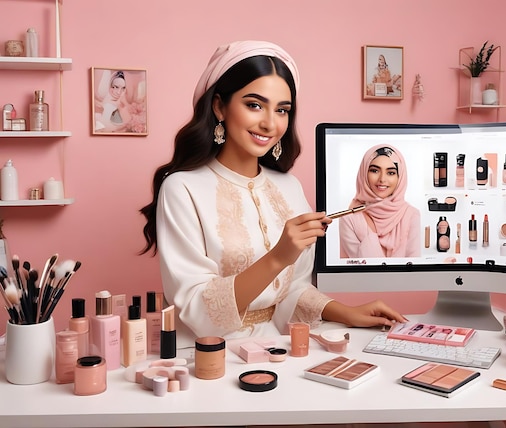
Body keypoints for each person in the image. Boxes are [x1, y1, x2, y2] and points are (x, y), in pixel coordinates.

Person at [139, 40, 406, 350]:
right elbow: (198, 309)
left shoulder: (288, 187)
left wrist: (346, 313)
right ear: (219, 106)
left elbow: (292, 291)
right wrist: (279, 256)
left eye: (282, 110)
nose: (269, 123)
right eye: (254, 105)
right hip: (209, 356)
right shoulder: (181, 188)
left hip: (279, 349)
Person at [339, 144, 421, 258]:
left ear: (400, 177)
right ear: (364, 173)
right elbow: (364, 270)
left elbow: (415, 269)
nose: (382, 179)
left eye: (391, 173)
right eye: (374, 171)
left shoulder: (411, 215)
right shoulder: (349, 218)